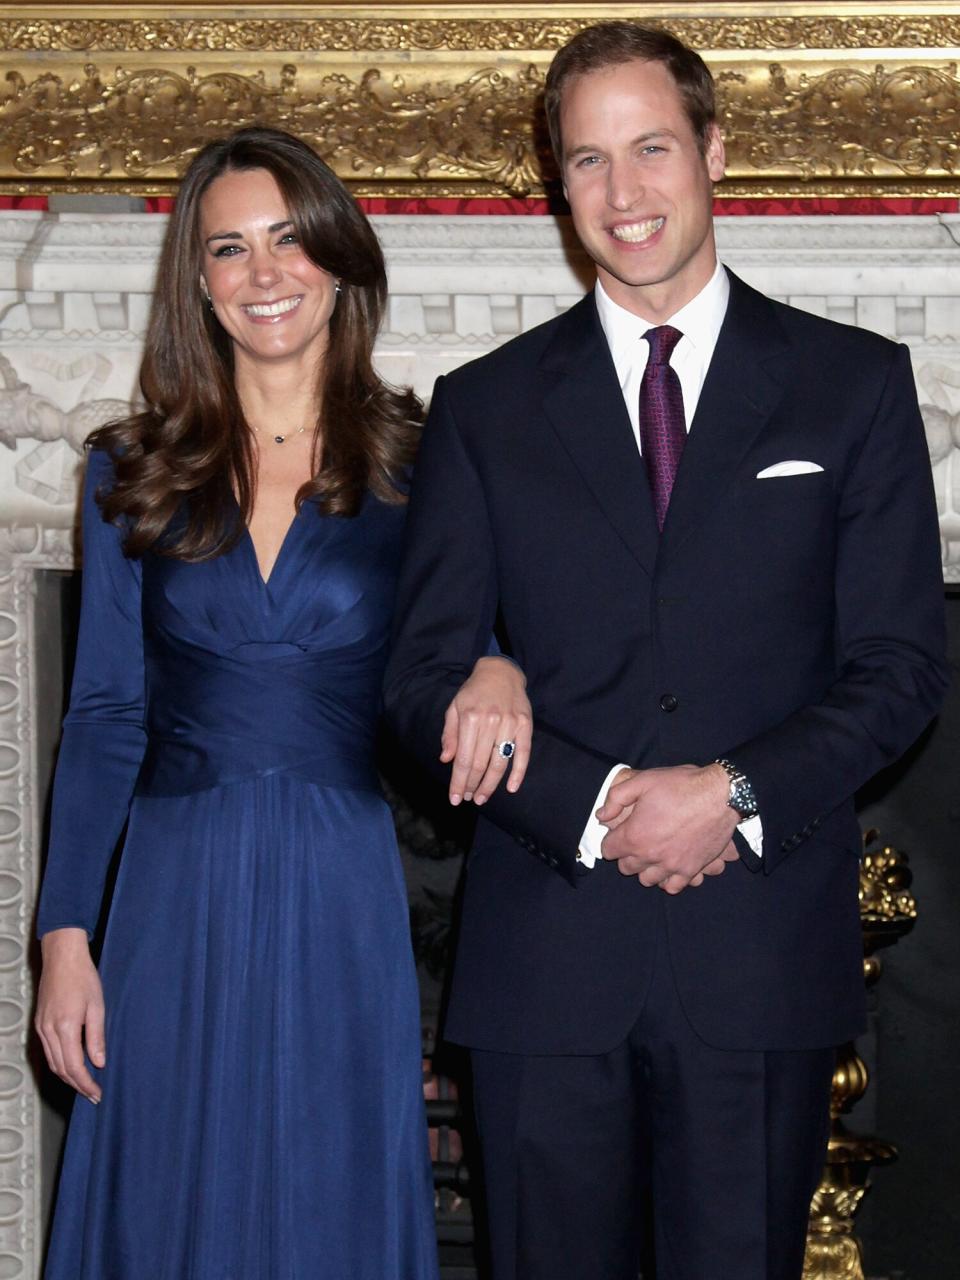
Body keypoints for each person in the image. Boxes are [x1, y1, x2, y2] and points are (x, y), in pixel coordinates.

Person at [384, 21, 949, 1280]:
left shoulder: (849, 385)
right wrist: (590, 804)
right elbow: (420, 676)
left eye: (650, 149)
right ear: (557, 183)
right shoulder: (484, 406)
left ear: (713, 151)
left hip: (758, 955)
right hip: (547, 961)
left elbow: (903, 664)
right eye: (588, 161)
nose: (623, 194)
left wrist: (731, 796)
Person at [34, 126, 531, 1279]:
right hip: (170, 882)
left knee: (326, 1190)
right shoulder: (129, 468)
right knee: (165, 1189)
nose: (266, 275)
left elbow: (487, 638)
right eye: (230, 249)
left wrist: (502, 666)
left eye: (289, 241)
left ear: (340, 258)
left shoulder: (426, 459)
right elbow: (107, 711)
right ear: (198, 285)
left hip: (335, 874)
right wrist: (65, 937)